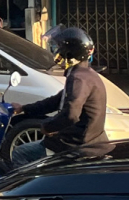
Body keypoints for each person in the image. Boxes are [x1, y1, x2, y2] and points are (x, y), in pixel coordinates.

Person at [10, 27, 108, 168]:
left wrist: (48, 126)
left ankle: (33, 190)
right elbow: (56, 101)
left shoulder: (78, 79)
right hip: (87, 140)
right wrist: (24, 108)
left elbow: (71, 115)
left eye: (58, 48)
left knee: (20, 153)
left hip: (77, 145)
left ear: (69, 52)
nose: (55, 51)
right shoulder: (85, 74)